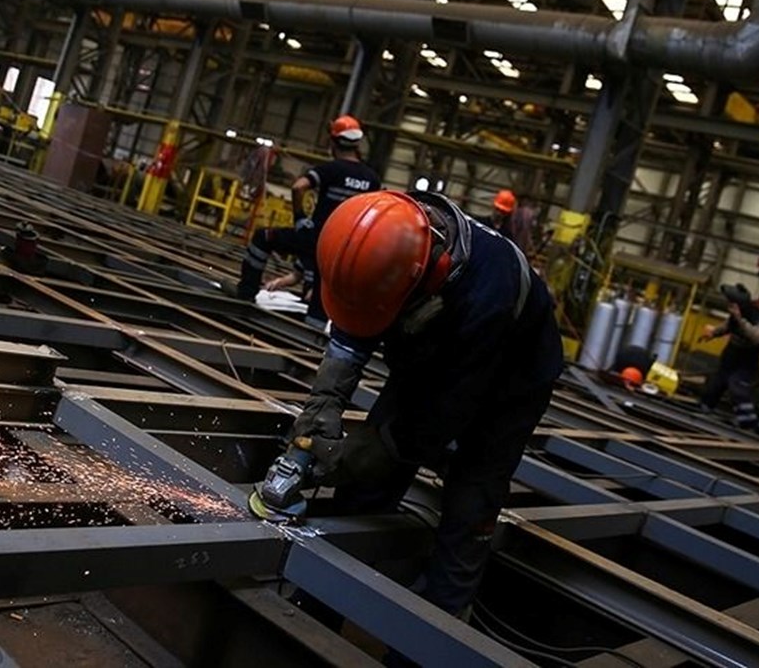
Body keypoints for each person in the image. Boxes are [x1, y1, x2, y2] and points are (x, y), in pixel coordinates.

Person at [287, 190, 563, 648]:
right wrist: (323, 405)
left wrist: (372, 452)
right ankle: (318, 605)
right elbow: (351, 334)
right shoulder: (386, 228)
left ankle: (435, 633)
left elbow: (444, 413)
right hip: (433, 349)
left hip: (511, 380)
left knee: (471, 495)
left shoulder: (489, 293)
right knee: (364, 489)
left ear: (424, 281)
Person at [236, 115, 381, 326]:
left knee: (263, 238)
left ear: (333, 141)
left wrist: (300, 218)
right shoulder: (372, 178)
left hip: (317, 238)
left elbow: (298, 187)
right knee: (324, 282)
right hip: (345, 249)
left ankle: (246, 294)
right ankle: (314, 331)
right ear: (357, 143)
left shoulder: (330, 169)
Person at [698, 284, 759, 429]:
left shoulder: (757, 318)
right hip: (731, 356)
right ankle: (704, 409)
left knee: (737, 387)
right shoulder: (733, 318)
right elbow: (726, 327)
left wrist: (740, 320)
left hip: (746, 361)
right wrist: (713, 333)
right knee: (716, 384)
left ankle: (749, 423)